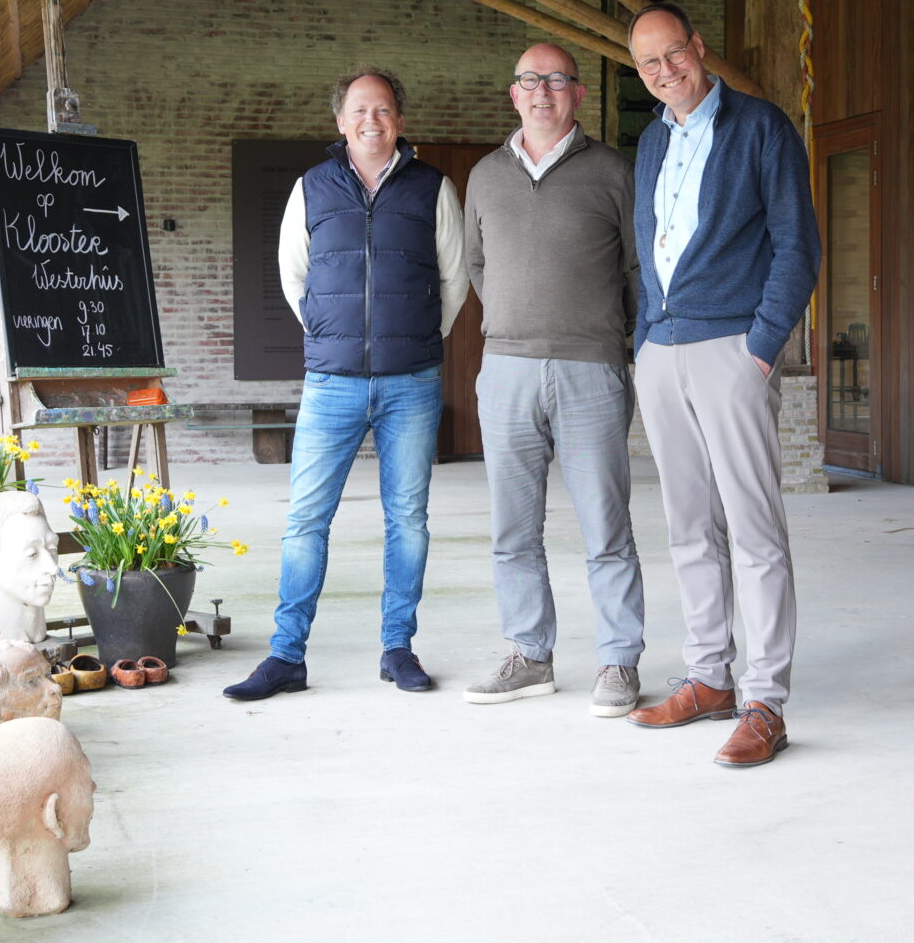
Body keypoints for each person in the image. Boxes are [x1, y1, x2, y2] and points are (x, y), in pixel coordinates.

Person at [224, 67, 468, 701]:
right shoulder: (312, 187)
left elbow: (455, 280)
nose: (371, 120)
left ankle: (397, 648)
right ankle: (286, 655)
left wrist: (413, 337)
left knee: (407, 520)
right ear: (340, 122)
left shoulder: (433, 189)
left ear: (399, 121)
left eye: (383, 109)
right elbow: (292, 274)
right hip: (330, 382)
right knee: (306, 520)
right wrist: (333, 334)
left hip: (411, 381)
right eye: (359, 110)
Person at [622, 3, 819, 768]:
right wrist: (644, 339)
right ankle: (708, 676)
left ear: (699, 49)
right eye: (649, 65)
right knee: (688, 526)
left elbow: (798, 246)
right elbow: (651, 248)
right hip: (662, 350)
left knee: (754, 529)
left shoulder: (761, 128)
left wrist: (760, 349)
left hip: (732, 348)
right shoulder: (650, 143)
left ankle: (765, 699)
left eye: (674, 54)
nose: (665, 71)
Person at [460, 43, 647, 718]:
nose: (542, 92)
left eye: (557, 80)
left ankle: (619, 662)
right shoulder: (484, 175)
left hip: (590, 366)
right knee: (513, 529)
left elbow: (636, 269)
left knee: (606, 525)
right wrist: (517, 321)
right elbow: (477, 262)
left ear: (578, 95)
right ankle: (529, 656)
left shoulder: (613, 173)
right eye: (530, 81)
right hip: (505, 367)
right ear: (513, 94)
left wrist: (609, 336)